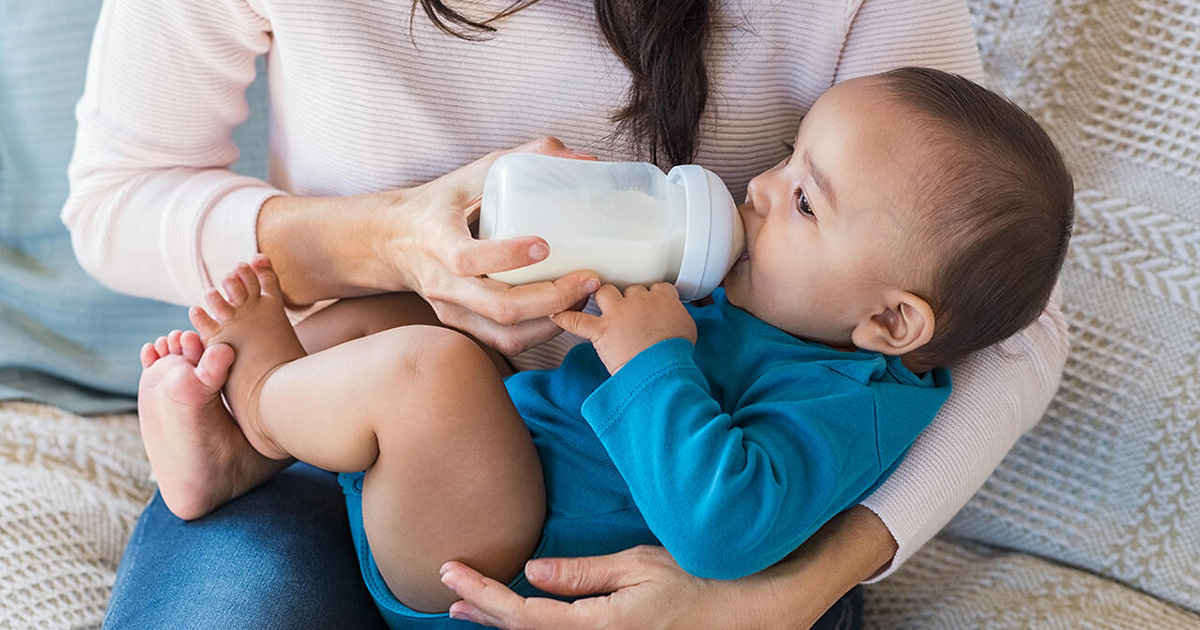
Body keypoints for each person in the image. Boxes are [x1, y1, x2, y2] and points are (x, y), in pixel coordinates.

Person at [64, 1, 1071, 628]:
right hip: (382, 455)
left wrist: (780, 598)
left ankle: (262, 407)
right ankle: (254, 432)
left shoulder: (823, 352)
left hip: (603, 550)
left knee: (422, 369)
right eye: (786, 157)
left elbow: (1000, 322)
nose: (760, 187)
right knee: (386, 329)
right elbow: (117, 196)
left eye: (802, 190)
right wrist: (388, 239)